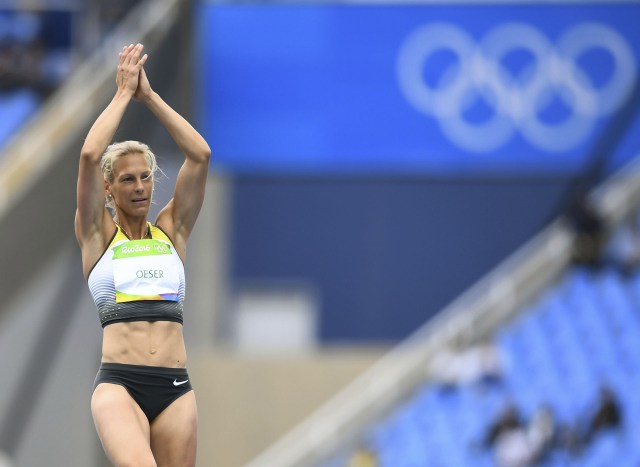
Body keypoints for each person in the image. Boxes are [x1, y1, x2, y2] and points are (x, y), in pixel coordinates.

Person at [75, 43, 211, 466]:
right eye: (128, 179)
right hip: (120, 384)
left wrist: (148, 96)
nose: (139, 186)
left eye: (146, 177)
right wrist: (122, 94)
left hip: (175, 386)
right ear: (109, 190)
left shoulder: (172, 231)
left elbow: (200, 154)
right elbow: (89, 155)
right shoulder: (97, 234)